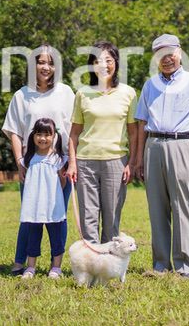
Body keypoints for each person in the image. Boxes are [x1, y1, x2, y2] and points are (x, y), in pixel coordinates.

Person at [130, 34, 189, 277]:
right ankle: (161, 265)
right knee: (157, 208)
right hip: (153, 145)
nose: (166, 59)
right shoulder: (149, 85)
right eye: (161, 55)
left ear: (180, 53)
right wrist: (140, 159)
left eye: (170, 53)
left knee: (181, 206)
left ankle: (185, 266)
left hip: (182, 145)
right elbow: (142, 121)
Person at [2, 45, 74, 276]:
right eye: (41, 62)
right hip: (32, 165)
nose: (46, 67)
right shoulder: (22, 95)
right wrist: (19, 161)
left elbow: (75, 130)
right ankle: (21, 262)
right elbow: (14, 130)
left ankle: (56, 265)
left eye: (50, 62)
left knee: (57, 217)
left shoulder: (65, 93)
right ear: (33, 65)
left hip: (59, 166)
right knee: (30, 215)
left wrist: (70, 163)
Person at [66, 41, 139, 244]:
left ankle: (108, 263)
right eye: (97, 61)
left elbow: (134, 133)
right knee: (88, 217)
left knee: (111, 218)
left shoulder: (128, 93)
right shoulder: (82, 94)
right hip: (85, 162)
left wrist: (132, 163)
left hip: (116, 161)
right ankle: (91, 266)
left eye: (108, 60)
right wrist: (72, 163)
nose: (104, 65)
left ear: (116, 63)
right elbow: (74, 134)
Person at [19, 118, 69, 279]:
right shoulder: (29, 158)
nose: (43, 138)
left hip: (53, 205)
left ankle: (56, 267)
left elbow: (62, 182)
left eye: (47, 134)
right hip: (34, 207)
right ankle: (31, 267)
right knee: (33, 236)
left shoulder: (58, 158)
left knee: (56, 236)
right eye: (39, 134)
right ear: (33, 136)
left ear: (54, 136)